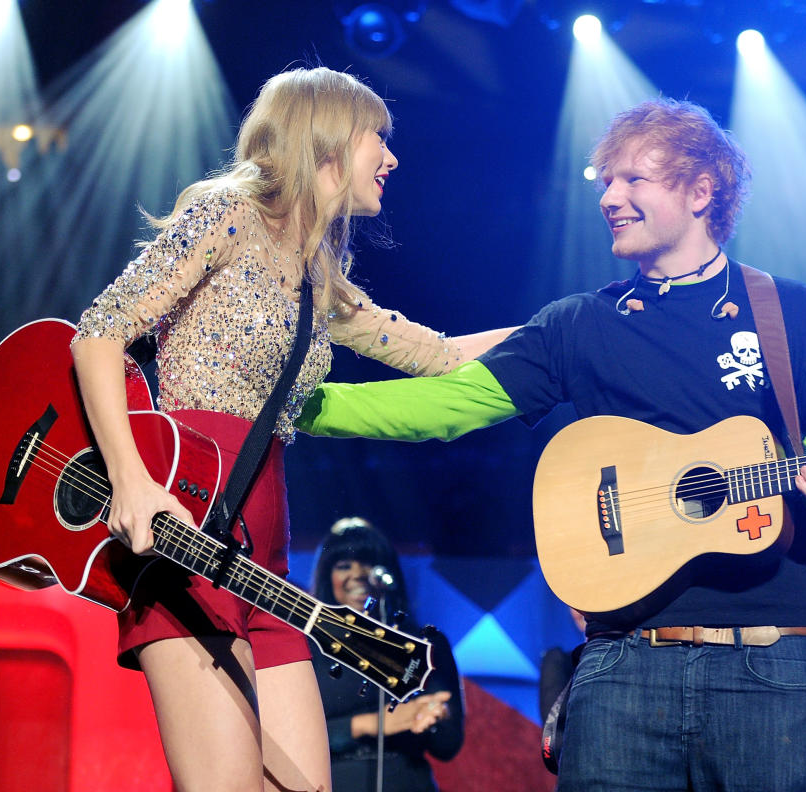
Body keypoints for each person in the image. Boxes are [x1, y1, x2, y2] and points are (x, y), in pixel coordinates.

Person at [295, 97, 806, 791]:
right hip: (620, 663)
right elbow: (443, 406)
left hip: (773, 663)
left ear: (700, 189)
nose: (609, 197)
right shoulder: (579, 324)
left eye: (632, 180)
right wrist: (293, 402)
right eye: (604, 181)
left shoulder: (785, 309)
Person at [70, 67, 510, 792]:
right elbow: (99, 333)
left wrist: (566, 329)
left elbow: (435, 354)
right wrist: (132, 481)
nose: (391, 159)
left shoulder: (317, 273)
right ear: (329, 136)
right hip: (188, 541)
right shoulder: (227, 214)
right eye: (380, 138)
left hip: (264, 561)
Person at [310, 517, 463, 791]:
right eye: (344, 565)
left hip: (407, 779)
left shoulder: (426, 644)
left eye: (368, 563)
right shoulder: (308, 647)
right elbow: (296, 737)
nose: (358, 574)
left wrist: (434, 716)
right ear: (326, 577)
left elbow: (448, 745)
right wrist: (373, 724)